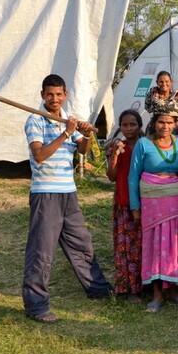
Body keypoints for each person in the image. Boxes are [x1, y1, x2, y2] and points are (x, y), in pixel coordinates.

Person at [22, 74, 112, 323]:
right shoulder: (35, 121)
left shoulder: (66, 118)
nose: (54, 98)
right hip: (45, 193)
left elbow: (82, 150)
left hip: (68, 193)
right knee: (42, 252)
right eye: (49, 94)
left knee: (82, 243)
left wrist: (85, 134)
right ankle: (37, 306)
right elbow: (39, 156)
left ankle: (98, 289)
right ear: (42, 96)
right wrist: (66, 133)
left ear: (65, 95)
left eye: (58, 94)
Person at [128, 111, 178, 313]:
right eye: (161, 122)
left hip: (175, 200)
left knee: (174, 244)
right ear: (154, 124)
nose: (165, 126)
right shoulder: (143, 144)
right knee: (155, 245)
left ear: (175, 124)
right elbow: (133, 176)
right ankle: (156, 293)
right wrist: (135, 207)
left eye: (169, 122)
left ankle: (173, 290)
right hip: (151, 202)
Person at [106, 109, 144, 302]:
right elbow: (111, 176)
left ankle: (144, 285)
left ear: (140, 126)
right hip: (123, 201)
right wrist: (115, 155)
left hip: (144, 200)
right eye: (125, 125)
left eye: (133, 124)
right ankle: (128, 287)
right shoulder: (116, 146)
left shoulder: (146, 145)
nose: (129, 128)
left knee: (142, 245)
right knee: (125, 247)